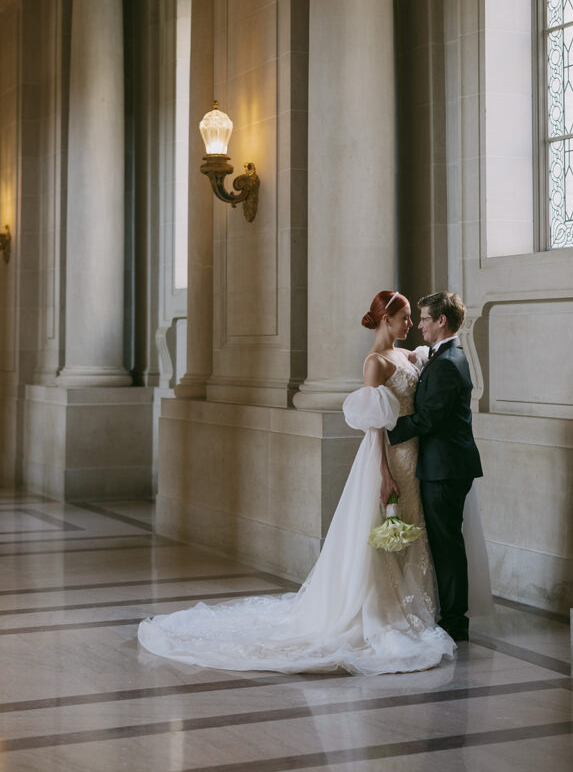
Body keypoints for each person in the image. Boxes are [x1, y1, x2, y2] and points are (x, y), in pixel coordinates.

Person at [137, 290, 455, 676]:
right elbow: (374, 429)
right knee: (381, 534)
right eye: (404, 317)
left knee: (411, 529)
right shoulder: (375, 362)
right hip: (389, 458)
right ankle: (383, 609)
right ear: (386, 320)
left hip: (416, 457)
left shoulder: (408, 356)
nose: (410, 324)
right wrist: (384, 473)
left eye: (411, 318)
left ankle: (416, 605)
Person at [387, 291, 483, 643]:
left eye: (425, 319)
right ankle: (449, 613)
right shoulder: (445, 356)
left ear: (442, 321)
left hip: (445, 467)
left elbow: (429, 418)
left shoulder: (447, 363)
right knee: (446, 541)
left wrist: (387, 429)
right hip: (447, 464)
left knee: (447, 544)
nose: (420, 326)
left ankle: (455, 621)